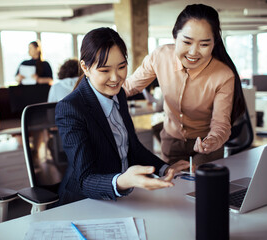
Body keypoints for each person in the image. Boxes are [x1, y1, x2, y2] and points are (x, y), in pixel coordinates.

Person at [55, 27, 190, 206]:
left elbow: (133, 147)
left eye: (122, 67)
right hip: (85, 202)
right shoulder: (70, 109)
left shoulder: (118, 94)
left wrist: (165, 168)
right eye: (104, 70)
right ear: (85, 68)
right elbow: (84, 180)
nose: (116, 78)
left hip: (123, 199)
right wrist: (123, 181)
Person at [123, 4, 246, 166]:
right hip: (171, 139)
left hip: (206, 141)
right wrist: (92, 94)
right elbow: (129, 87)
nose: (194, 52)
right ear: (175, 37)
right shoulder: (160, 56)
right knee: (172, 187)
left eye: (204, 44)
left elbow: (220, 123)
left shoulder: (223, 75)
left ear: (214, 43)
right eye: (187, 42)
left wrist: (212, 141)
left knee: (205, 187)